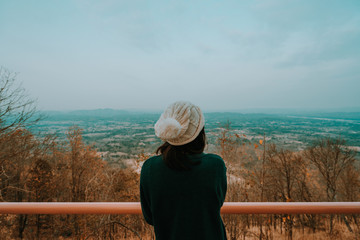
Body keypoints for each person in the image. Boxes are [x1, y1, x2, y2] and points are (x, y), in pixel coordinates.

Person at [140, 101, 227, 240]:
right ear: (199, 132)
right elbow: (216, 203)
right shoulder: (215, 166)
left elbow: (150, 217)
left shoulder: (150, 168)